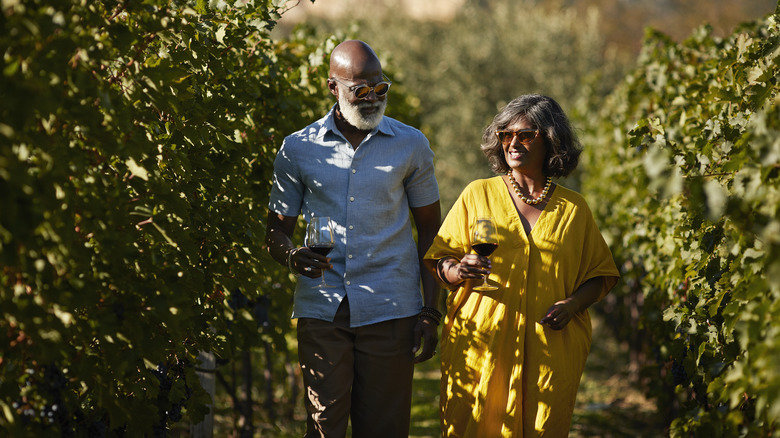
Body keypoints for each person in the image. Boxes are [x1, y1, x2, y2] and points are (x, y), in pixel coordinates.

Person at [264, 40, 442, 437]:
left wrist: (431, 311)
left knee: (384, 428)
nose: (372, 98)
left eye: (380, 88)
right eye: (360, 90)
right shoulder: (298, 149)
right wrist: (292, 256)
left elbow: (431, 230)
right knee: (324, 427)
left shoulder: (411, 145)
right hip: (323, 307)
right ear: (333, 88)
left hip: (392, 307)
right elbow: (276, 230)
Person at [423, 94, 620, 437]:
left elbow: (599, 275)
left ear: (551, 139)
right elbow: (440, 261)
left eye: (525, 135)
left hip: (550, 349)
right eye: (505, 135)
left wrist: (572, 305)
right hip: (480, 345)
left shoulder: (574, 210)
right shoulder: (477, 194)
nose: (513, 143)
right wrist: (458, 270)